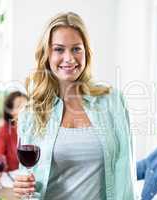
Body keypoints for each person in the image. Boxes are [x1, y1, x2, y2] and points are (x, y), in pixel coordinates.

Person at [13, 12, 136, 200]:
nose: (69, 58)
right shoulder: (31, 113)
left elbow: (125, 169)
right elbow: (29, 179)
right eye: (59, 49)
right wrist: (22, 187)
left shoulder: (113, 101)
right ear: (47, 54)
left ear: (86, 52)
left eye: (76, 49)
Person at [0, 91, 27, 181]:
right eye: (19, 106)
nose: (25, 109)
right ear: (11, 112)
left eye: (27, 106)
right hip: (11, 179)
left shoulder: (37, 129)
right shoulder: (5, 130)